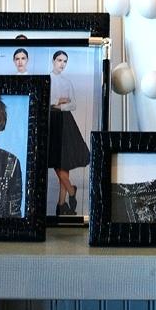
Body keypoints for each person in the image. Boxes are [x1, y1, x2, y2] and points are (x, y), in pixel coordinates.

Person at [48, 50, 90, 215]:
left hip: (65, 121)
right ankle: (72, 191)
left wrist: (58, 105)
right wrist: (59, 100)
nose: (62, 64)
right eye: (59, 60)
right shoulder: (47, 78)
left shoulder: (67, 82)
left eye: (65, 61)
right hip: (51, 121)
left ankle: (61, 205)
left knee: (63, 161)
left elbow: (73, 104)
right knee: (56, 160)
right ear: (53, 61)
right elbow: (46, 100)